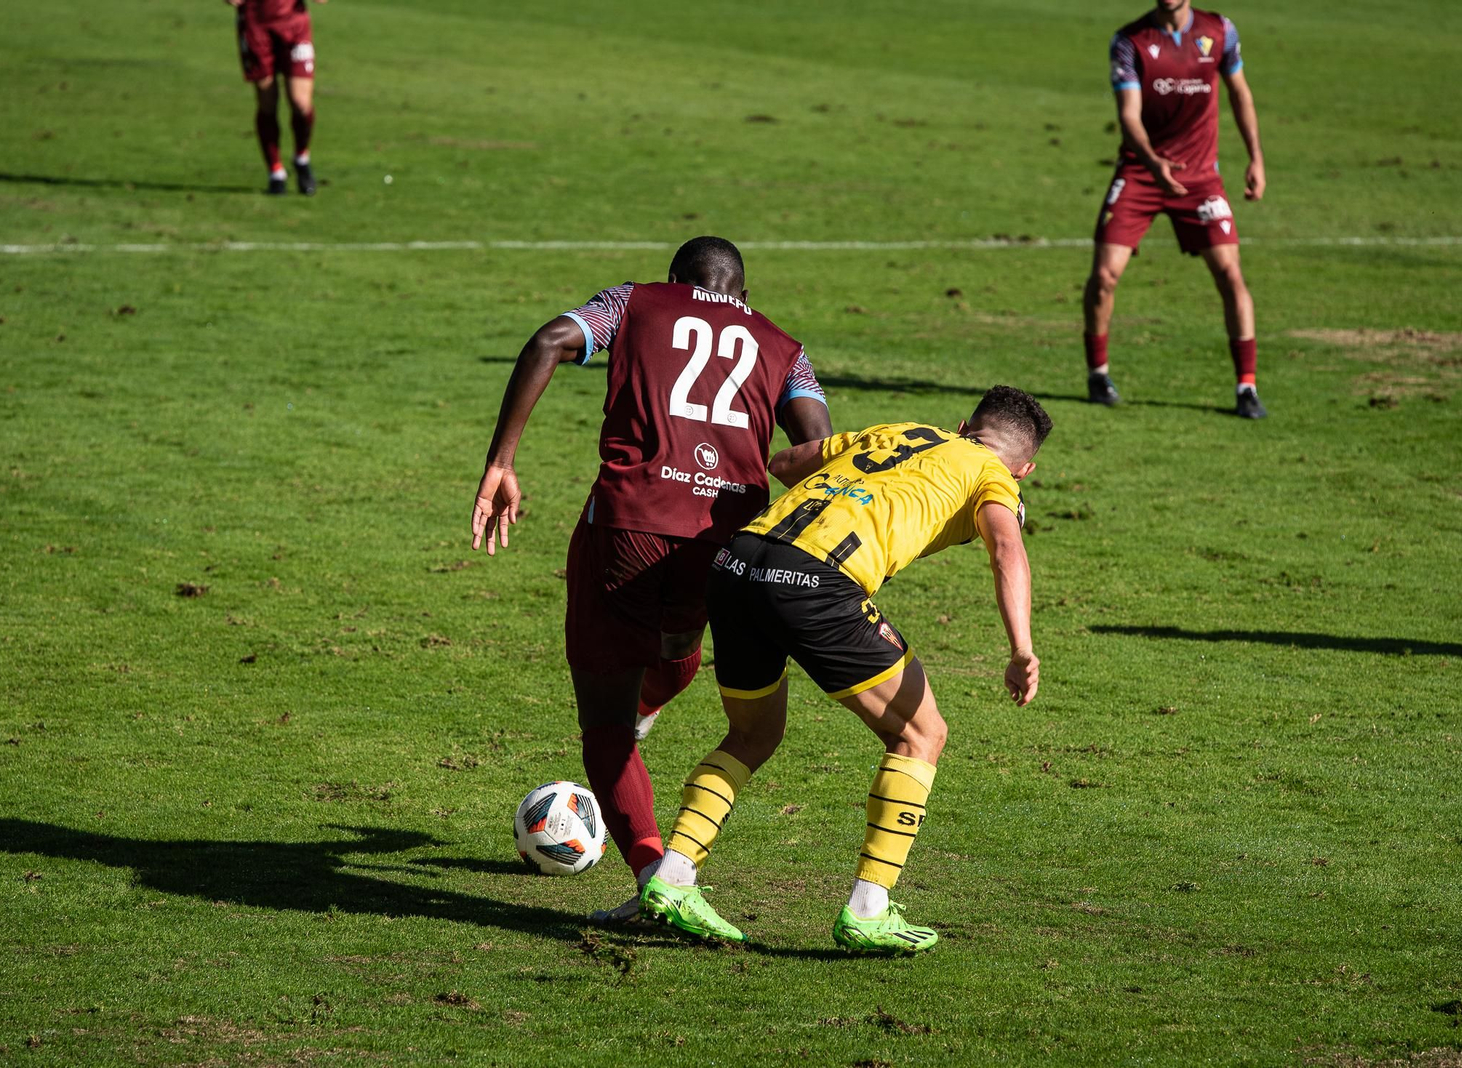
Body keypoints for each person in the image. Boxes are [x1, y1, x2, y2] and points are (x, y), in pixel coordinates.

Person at [470, 237, 832, 923]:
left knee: (603, 725)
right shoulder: (784, 347)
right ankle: (641, 727)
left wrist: (503, 460)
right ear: (744, 296)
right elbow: (815, 441)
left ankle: (652, 875)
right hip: (723, 543)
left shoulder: (633, 303)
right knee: (673, 649)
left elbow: (551, 340)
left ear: (676, 281)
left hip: (627, 526)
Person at [639, 386, 1051, 954]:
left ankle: (674, 876)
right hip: (817, 583)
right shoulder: (994, 477)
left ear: (962, 424)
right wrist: (1022, 648)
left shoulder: (901, 432)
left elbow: (785, 463)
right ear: (1025, 468)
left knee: (752, 734)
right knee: (921, 734)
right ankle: (869, 908)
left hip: (738, 562)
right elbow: (1008, 549)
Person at [1083, 0, 1268, 418]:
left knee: (1230, 274)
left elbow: (1240, 93)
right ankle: (1098, 374)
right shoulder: (1130, 41)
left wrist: (1255, 158)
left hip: (1201, 178)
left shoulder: (1219, 31)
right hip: (1142, 172)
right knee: (1104, 276)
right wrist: (1153, 163)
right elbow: (1129, 116)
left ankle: (1247, 387)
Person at [230, 0, 324, 196]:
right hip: (256, 23)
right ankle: (275, 171)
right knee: (267, 101)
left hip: (294, 24)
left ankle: (301, 157)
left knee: (301, 102)